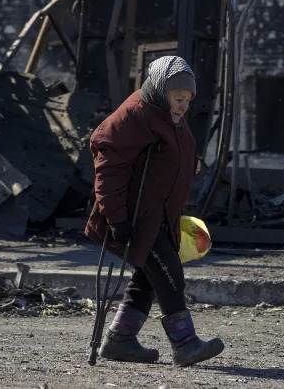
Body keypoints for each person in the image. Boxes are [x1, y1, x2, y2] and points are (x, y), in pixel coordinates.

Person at [85, 56, 224, 367]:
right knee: (169, 274)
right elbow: (107, 165)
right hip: (135, 218)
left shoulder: (168, 113)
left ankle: (120, 340)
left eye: (188, 100)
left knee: (149, 279)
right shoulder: (133, 116)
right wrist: (116, 218)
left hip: (160, 214)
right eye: (178, 99)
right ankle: (185, 343)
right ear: (161, 92)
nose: (183, 106)